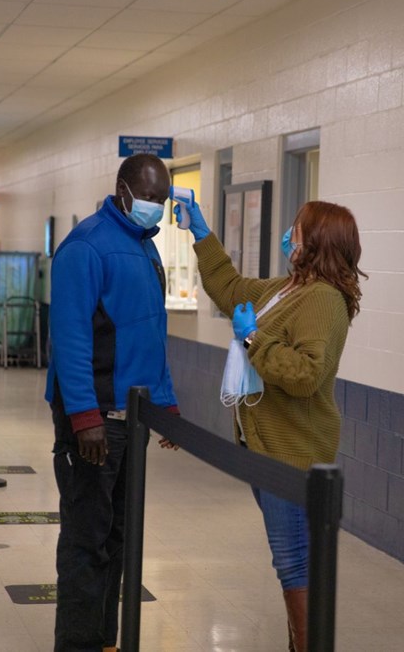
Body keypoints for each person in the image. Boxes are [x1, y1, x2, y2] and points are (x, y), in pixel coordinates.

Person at [177, 197, 366, 651]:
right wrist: (202, 235)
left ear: (317, 241)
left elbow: (306, 374)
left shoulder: (322, 299)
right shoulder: (291, 288)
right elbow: (231, 287)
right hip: (266, 452)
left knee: (294, 563)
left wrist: (252, 338)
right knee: (293, 561)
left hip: (292, 455)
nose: (289, 235)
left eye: (297, 229)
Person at [45, 153, 180, 652]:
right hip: (95, 419)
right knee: (87, 540)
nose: (155, 207)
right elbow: (72, 338)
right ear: (122, 189)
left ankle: (105, 639)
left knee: (120, 538)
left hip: (133, 420)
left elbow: (151, 335)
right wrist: (84, 417)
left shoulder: (146, 249)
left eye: (162, 200)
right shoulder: (86, 246)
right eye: (148, 197)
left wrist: (164, 405)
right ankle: (77, 644)